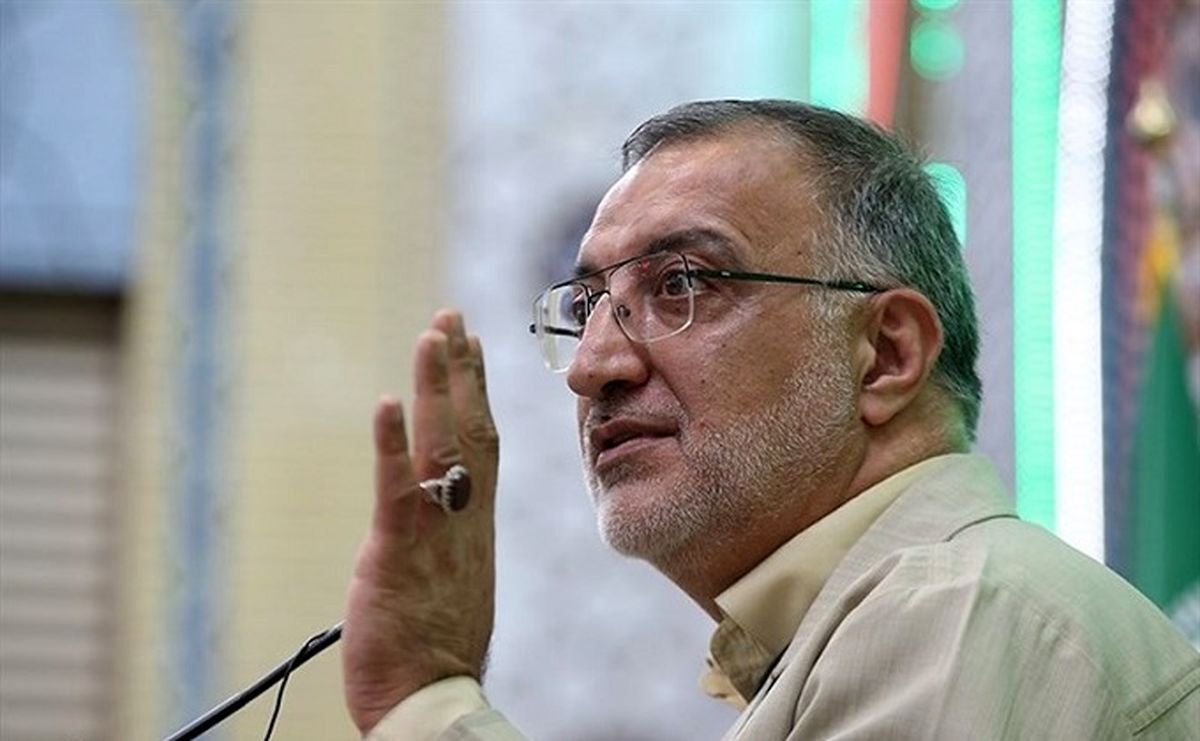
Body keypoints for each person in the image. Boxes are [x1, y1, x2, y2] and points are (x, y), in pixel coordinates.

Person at [341, 100, 1200, 740]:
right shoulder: (883, 623)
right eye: (588, 304)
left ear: (887, 353)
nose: (594, 366)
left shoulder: (954, 610)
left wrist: (427, 698)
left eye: (681, 283)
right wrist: (424, 689)